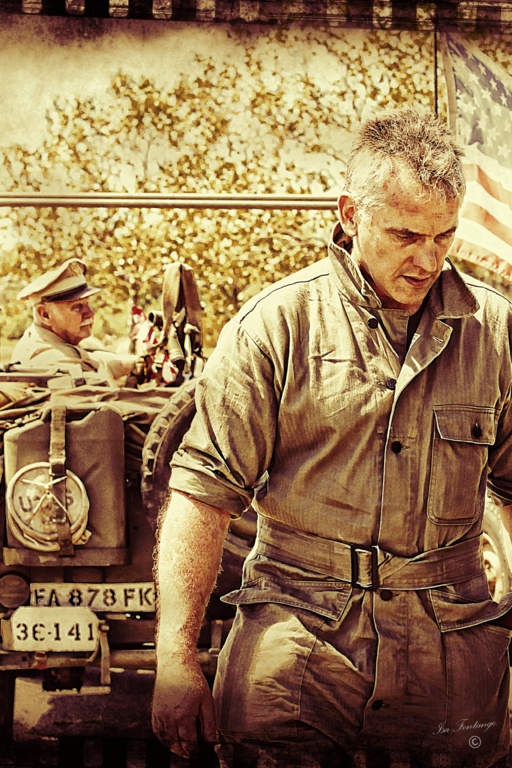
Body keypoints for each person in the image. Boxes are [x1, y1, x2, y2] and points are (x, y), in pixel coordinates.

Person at [152, 107, 512, 768]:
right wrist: (175, 658)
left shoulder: (494, 332)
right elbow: (203, 495)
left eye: (444, 235)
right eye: (405, 235)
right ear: (350, 214)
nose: (428, 259)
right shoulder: (276, 326)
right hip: (298, 645)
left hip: (451, 652)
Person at [10, 258, 134, 383]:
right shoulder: (48, 359)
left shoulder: (54, 340)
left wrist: (136, 364)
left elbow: (91, 358)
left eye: (87, 304)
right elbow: (102, 389)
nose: (90, 314)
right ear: (45, 315)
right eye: (77, 307)